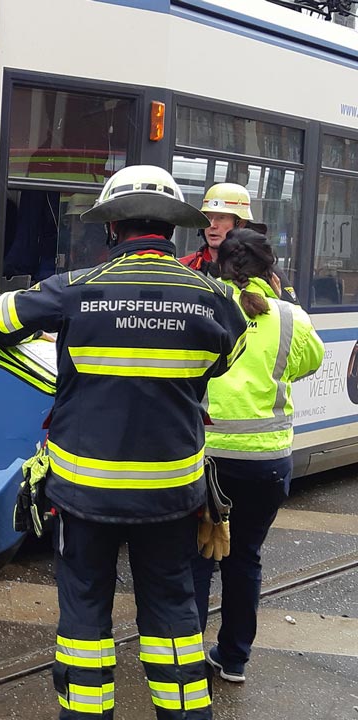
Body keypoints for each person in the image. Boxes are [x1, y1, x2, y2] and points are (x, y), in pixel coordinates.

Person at [0, 165, 247, 720]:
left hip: (84, 492)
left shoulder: (76, 288)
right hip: (171, 494)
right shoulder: (213, 296)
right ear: (172, 231)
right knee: (174, 612)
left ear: (111, 230)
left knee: (83, 612)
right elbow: (226, 358)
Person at [191, 229, 323, 684]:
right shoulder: (290, 317)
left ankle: (184, 654)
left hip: (205, 460)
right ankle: (233, 659)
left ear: (218, 262)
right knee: (244, 556)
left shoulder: (203, 304)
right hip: (266, 463)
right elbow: (310, 363)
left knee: (197, 556)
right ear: (271, 269)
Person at [181, 183, 297, 302]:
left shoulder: (264, 269)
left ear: (240, 223)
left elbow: (292, 313)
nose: (212, 225)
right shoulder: (186, 266)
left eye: (221, 217)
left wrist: (276, 299)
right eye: (208, 217)